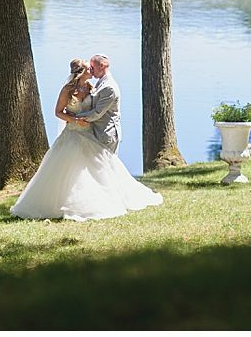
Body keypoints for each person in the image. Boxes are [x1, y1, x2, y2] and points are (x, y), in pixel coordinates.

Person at [9, 56, 163, 221]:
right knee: (68, 170)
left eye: (92, 68)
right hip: (73, 133)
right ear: (81, 72)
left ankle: (103, 199)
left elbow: (97, 111)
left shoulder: (91, 87)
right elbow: (58, 112)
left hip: (90, 134)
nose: (91, 70)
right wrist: (75, 120)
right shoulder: (67, 90)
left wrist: (82, 119)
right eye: (88, 69)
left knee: (97, 169)